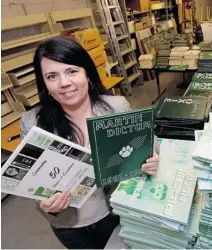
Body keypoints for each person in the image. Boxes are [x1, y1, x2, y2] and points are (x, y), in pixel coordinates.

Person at [19, 37, 160, 249]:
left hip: (113, 211)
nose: (64, 83)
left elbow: (148, 143)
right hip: (68, 224)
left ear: (87, 73)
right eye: (52, 76)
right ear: (45, 84)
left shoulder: (116, 107)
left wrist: (152, 157)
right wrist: (44, 201)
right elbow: (31, 180)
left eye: (71, 71)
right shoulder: (32, 123)